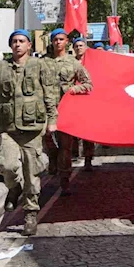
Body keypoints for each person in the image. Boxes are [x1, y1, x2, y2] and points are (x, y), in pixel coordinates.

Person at [0, 29, 57, 236]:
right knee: (6, 165)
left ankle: (30, 214)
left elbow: (49, 94)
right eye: (14, 41)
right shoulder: (1, 68)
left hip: (32, 128)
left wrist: (52, 120)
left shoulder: (39, 65)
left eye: (21, 41)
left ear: (29, 45)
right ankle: (14, 187)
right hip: (8, 128)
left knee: (31, 172)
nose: (17, 44)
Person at [46, 29, 93, 189]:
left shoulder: (73, 63)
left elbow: (88, 84)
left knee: (65, 146)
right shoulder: (42, 62)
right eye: (55, 39)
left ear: (66, 42)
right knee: (48, 143)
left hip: (64, 110)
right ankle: (53, 160)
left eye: (61, 39)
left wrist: (73, 89)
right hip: (46, 110)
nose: (58, 42)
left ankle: (64, 178)